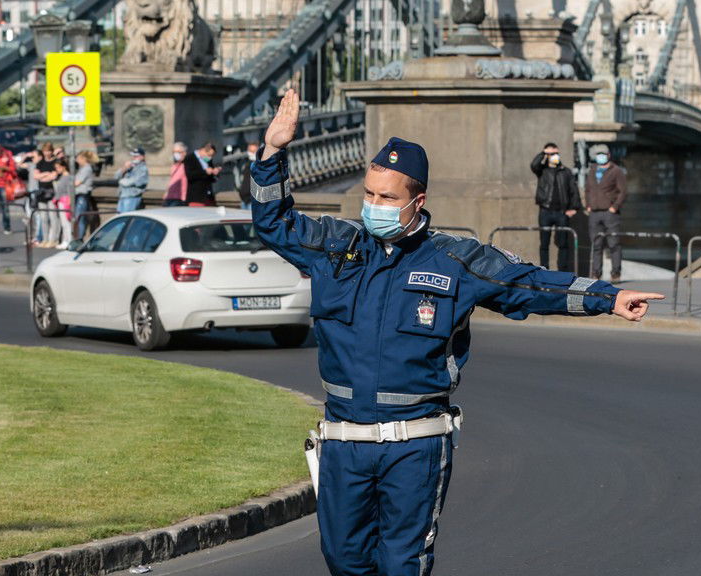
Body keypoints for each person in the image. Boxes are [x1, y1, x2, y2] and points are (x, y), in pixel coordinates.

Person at [248, 89, 663, 576]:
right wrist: (273, 152)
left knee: (403, 563)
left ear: (416, 201)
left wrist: (606, 298)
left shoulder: (456, 259)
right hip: (344, 441)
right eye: (369, 195)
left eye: (387, 198)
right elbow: (273, 222)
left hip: (415, 444)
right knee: (344, 560)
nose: (374, 205)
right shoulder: (335, 248)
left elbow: (527, 283)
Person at [530, 142, 581, 272]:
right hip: (545, 211)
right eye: (552, 154)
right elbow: (534, 165)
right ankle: (544, 269)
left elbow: (573, 190)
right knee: (544, 243)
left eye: (556, 153)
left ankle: (562, 270)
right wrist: (544, 153)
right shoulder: (542, 170)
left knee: (563, 243)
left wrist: (574, 208)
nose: (555, 156)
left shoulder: (566, 171)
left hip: (561, 213)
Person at [584, 143, 627, 282]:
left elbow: (623, 191)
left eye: (603, 154)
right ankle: (596, 273)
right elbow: (588, 189)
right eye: (598, 155)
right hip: (594, 213)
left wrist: (615, 207)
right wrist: (588, 205)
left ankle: (616, 273)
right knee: (596, 244)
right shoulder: (592, 169)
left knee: (613, 243)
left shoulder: (616, 171)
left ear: (608, 155)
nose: (600, 157)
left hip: (610, 213)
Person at [33, 144, 60, 248]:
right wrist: (46, 174)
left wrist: (43, 176)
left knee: (53, 217)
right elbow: (36, 176)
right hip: (42, 192)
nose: (46, 153)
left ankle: (53, 239)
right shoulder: (40, 163)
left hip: (52, 192)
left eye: (48, 151)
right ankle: (45, 239)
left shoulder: (55, 162)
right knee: (43, 217)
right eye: (45, 151)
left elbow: (54, 176)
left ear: (52, 151)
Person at [72, 151, 98, 241]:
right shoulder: (82, 168)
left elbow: (76, 182)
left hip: (82, 196)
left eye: (78, 158)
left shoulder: (87, 168)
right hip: (79, 195)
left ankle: (79, 238)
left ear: (84, 159)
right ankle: (78, 237)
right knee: (78, 217)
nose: (76, 160)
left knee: (80, 218)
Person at [185, 141, 221, 206]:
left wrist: (215, 173)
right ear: (203, 150)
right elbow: (189, 175)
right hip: (196, 197)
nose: (210, 157)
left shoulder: (208, 160)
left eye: (212, 156)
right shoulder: (190, 158)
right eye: (209, 155)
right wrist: (205, 172)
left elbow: (212, 179)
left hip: (208, 196)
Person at [117, 148, 150, 213]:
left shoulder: (143, 168)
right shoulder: (130, 166)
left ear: (142, 157)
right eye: (133, 156)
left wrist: (123, 181)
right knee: (119, 217)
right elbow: (116, 176)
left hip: (132, 196)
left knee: (127, 217)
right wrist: (125, 168)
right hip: (123, 195)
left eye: (136, 156)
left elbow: (139, 181)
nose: (134, 157)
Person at [51, 161, 74, 249]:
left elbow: (69, 190)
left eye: (58, 167)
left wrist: (69, 202)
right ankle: (66, 240)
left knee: (66, 223)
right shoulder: (62, 177)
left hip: (65, 201)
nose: (57, 170)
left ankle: (68, 241)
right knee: (64, 223)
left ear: (63, 167)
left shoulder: (67, 177)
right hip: (61, 200)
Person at [163, 142, 189, 207]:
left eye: (178, 152)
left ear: (184, 153)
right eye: (174, 152)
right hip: (169, 197)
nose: (176, 154)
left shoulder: (187, 165)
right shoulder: (174, 166)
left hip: (179, 198)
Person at [236, 142, 261, 211]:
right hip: (244, 200)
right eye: (250, 151)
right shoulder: (248, 163)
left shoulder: (260, 164)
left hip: (253, 201)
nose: (251, 153)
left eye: (253, 151)